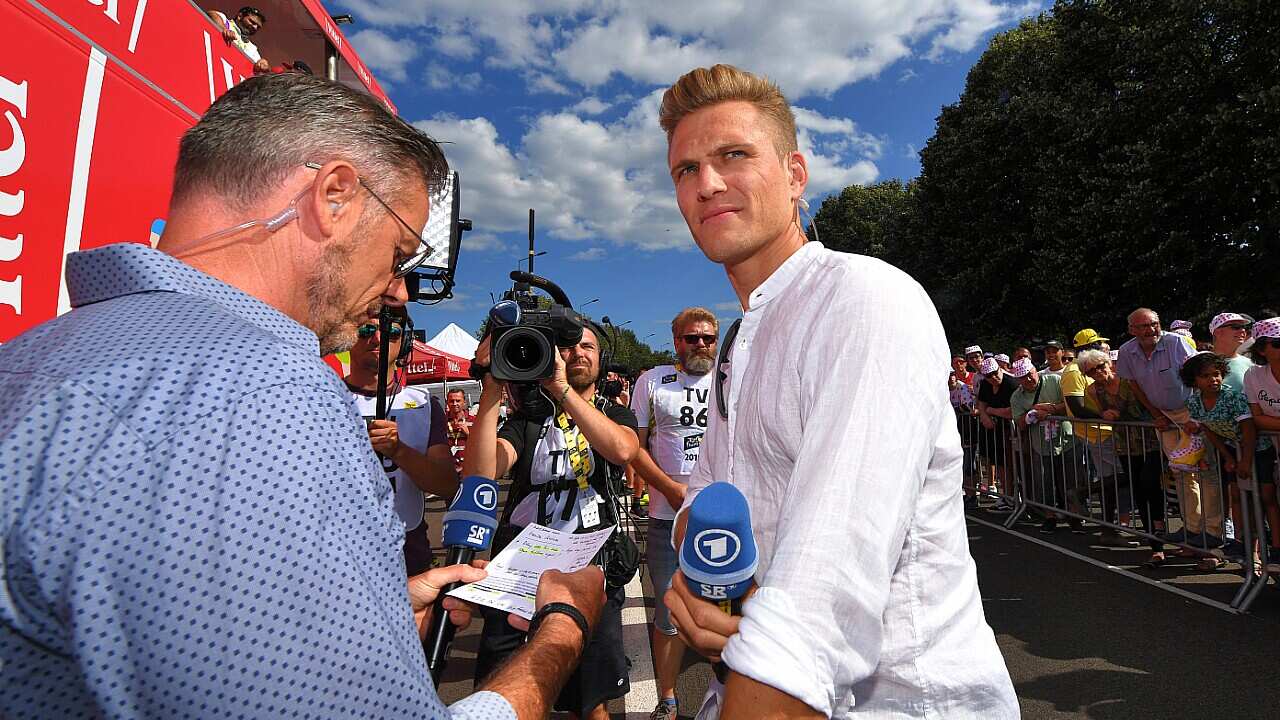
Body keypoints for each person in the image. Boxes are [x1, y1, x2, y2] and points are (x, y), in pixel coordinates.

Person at [0, 73, 606, 719]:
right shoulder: (261, 391)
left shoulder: (33, 355)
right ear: (334, 196)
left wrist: (364, 612)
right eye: (400, 253)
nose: (399, 291)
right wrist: (561, 633)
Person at [658, 63, 1016, 719]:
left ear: (795, 175)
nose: (707, 183)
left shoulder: (863, 300)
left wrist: (760, 625)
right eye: (686, 169)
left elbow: (819, 604)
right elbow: (707, 492)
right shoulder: (740, 340)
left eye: (733, 155)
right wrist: (709, 571)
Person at [466, 324, 639, 720]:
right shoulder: (529, 418)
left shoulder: (612, 412)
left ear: (602, 358)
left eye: (588, 346)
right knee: (508, 689)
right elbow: (481, 473)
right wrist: (492, 387)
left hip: (590, 569)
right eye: (568, 347)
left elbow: (622, 449)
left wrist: (562, 391)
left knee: (590, 702)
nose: (578, 353)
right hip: (523, 569)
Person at [629, 307, 718, 720]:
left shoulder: (731, 377)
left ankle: (726, 693)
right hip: (667, 514)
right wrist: (666, 488)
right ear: (676, 342)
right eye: (691, 338)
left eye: (707, 338)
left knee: (725, 607)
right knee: (667, 610)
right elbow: (634, 446)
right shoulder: (652, 380)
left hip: (719, 516)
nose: (700, 345)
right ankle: (667, 697)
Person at [344, 305, 459, 575]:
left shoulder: (424, 404)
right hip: (341, 553)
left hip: (409, 554)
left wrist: (399, 451)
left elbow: (446, 485)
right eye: (366, 330)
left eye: (392, 332)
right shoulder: (324, 398)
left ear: (405, 341)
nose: (378, 338)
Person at [1117, 308, 1221, 547]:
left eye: (1154, 324)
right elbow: (1134, 385)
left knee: (1206, 472)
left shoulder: (1176, 342)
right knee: (1181, 471)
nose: (1151, 330)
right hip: (1164, 416)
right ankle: (1192, 529)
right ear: (1132, 330)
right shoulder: (1126, 351)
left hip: (1191, 411)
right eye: (1143, 326)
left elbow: (1200, 376)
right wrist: (1156, 415)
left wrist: (1197, 415)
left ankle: (1213, 531)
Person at [1181, 352, 1277, 568]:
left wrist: (1246, 461)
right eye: (1205, 376)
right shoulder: (1194, 402)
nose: (1213, 379)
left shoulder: (1233, 396)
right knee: (1237, 496)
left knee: (1265, 497)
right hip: (1234, 449)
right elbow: (1209, 429)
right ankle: (1243, 546)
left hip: (1258, 450)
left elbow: (1249, 429)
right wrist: (1227, 457)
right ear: (1194, 380)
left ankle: (1270, 550)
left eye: (1216, 374)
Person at [1077, 350, 1168, 565]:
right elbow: (1104, 412)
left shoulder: (1129, 382)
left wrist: (1159, 418)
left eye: (1100, 366)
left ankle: (1159, 524)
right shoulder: (1093, 390)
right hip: (1125, 443)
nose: (1098, 372)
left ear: (1108, 363)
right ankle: (1155, 545)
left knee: (1149, 482)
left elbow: (1149, 404)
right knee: (1138, 490)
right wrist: (1104, 414)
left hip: (1150, 439)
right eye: (1091, 371)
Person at [1007, 358, 1075, 533]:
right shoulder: (1017, 396)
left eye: (1030, 374)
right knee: (1044, 481)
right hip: (1040, 444)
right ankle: (1049, 516)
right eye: (1023, 377)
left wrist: (1051, 409)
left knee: (1071, 478)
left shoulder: (1055, 380)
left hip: (1067, 439)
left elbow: (1071, 404)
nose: (1028, 379)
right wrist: (1032, 415)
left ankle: (1074, 516)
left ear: (1035, 371)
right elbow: (1019, 423)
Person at [1244, 317, 1280, 568]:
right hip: (1273, 451)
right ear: (1262, 349)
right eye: (1278, 343)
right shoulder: (1254, 375)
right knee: (1270, 499)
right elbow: (1256, 418)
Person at [976, 356, 1018, 508]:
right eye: (989, 376)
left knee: (1012, 465)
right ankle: (1006, 496)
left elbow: (1013, 411)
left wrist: (991, 411)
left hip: (1012, 431)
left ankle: (1014, 497)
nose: (993, 377)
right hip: (995, 432)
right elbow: (981, 402)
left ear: (1000, 369)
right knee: (999, 464)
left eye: (995, 373)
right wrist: (984, 415)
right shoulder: (985, 384)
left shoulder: (1011, 383)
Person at [206, 6, 271, 72]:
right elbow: (212, 14)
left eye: (258, 26)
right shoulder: (226, 22)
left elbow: (261, 65)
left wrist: (263, 63)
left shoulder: (252, 48)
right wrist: (223, 29)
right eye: (252, 22)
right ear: (240, 16)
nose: (255, 27)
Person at [1210, 312, 1254, 394]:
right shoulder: (1198, 362)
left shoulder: (1251, 365)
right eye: (1236, 327)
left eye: (1244, 327)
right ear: (1217, 332)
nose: (1243, 330)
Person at [445, 387, 475, 474]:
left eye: (458, 401)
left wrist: (468, 433)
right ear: (447, 403)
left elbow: (481, 444)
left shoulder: (474, 420)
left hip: (469, 467)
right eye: (451, 401)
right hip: (448, 468)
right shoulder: (441, 421)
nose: (455, 404)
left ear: (464, 402)